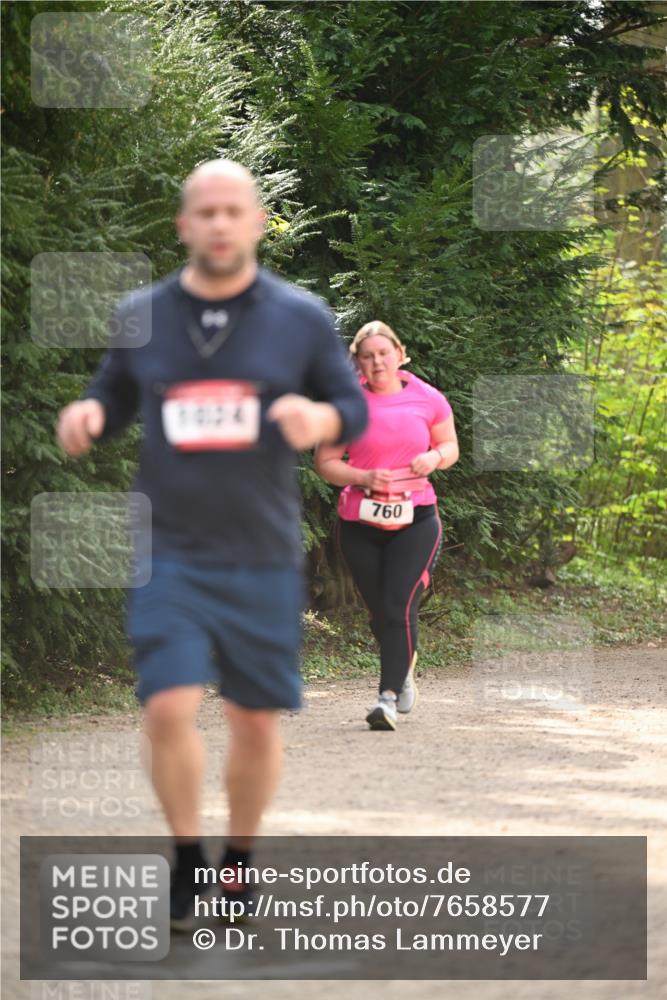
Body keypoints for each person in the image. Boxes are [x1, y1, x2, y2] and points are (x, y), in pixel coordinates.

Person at [55, 159, 368, 930]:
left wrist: (319, 422)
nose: (220, 224)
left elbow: (351, 408)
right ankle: (188, 861)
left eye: (234, 210)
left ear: (257, 222)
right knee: (166, 707)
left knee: (254, 720)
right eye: (206, 212)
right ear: (184, 226)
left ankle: (238, 864)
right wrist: (88, 414)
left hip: (259, 551)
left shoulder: (299, 316)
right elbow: (113, 393)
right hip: (171, 551)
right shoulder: (144, 312)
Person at [314, 320, 459, 731]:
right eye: (368, 355)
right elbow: (325, 464)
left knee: (398, 605)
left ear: (399, 353)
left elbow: (449, 446)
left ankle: (387, 697)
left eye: (384, 353)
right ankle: (404, 667)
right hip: (360, 522)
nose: (377, 362)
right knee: (381, 614)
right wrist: (362, 477)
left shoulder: (428, 398)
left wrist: (434, 458)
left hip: (416, 518)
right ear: (357, 363)